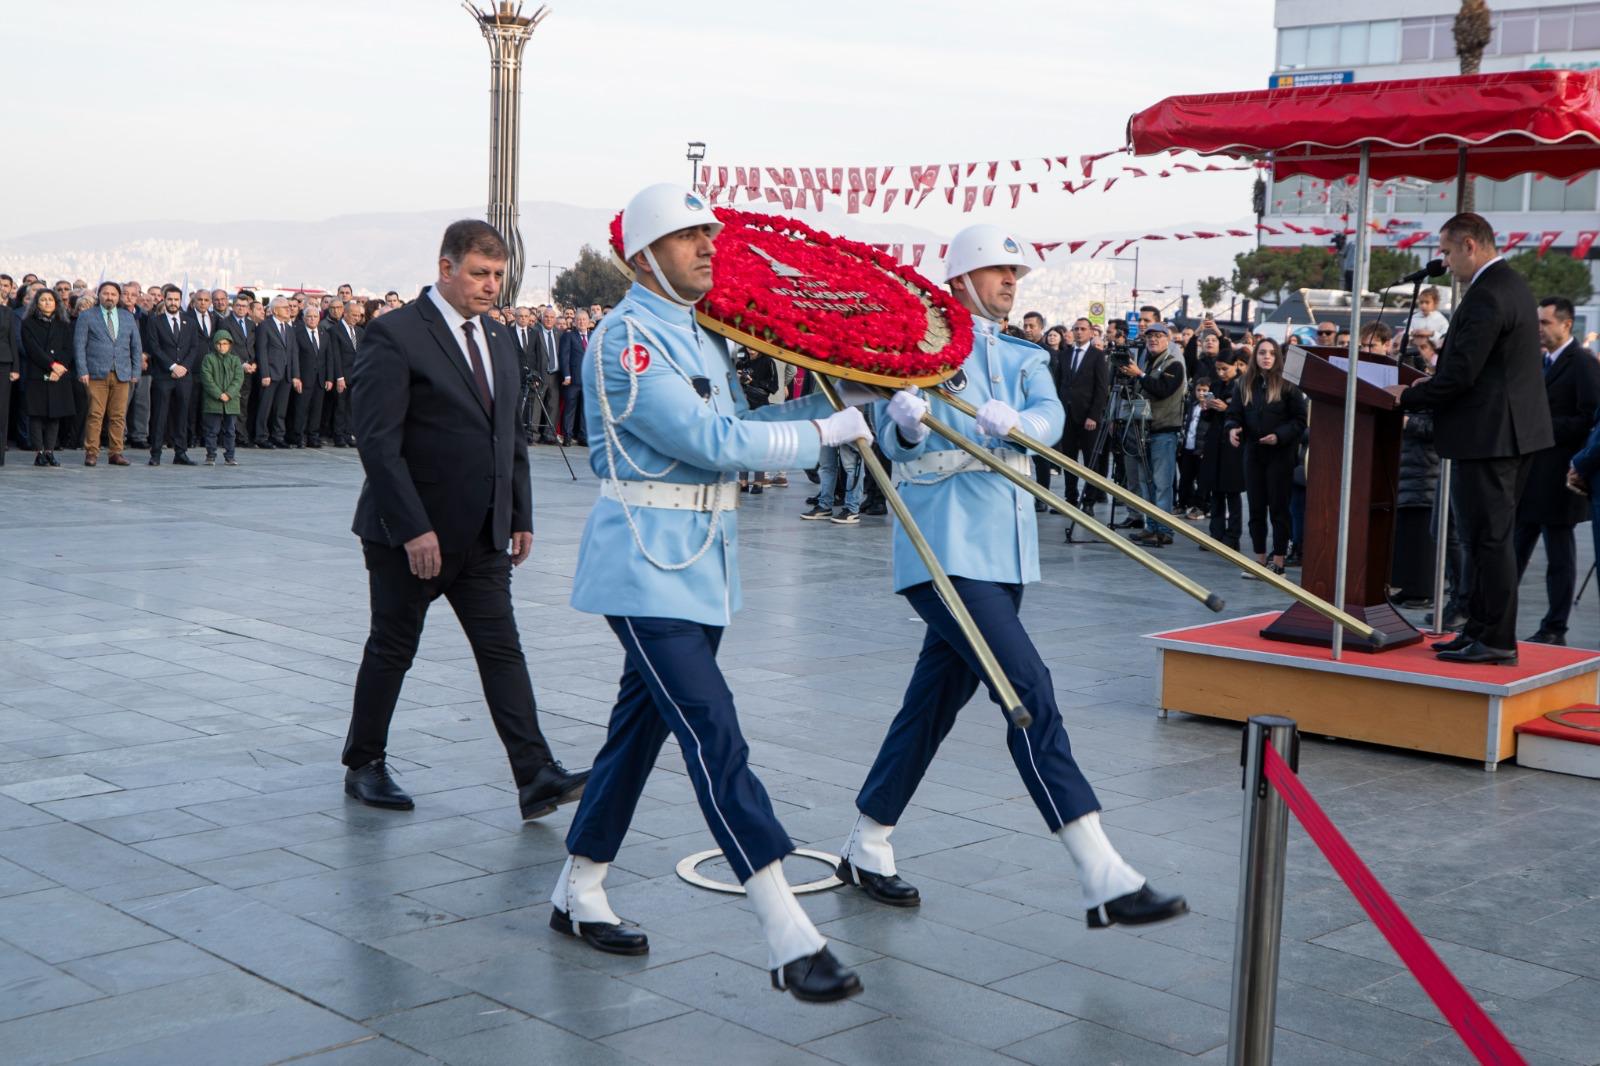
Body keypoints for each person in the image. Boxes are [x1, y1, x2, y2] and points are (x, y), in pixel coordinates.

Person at [555, 184, 869, 1002]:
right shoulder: (628, 340)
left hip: (698, 565)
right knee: (713, 732)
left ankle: (578, 886)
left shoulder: (698, 338)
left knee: (640, 734)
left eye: (708, 235)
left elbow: (753, 418)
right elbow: (709, 440)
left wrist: (861, 408)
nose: (707, 247)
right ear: (645, 256)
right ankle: (786, 932)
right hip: (644, 568)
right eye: (689, 235)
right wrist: (818, 436)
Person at [838, 223, 1186, 936]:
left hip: (1003, 558)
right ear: (961, 277)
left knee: (930, 705)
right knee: (1029, 693)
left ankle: (867, 841)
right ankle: (1099, 869)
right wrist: (903, 421)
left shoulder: (1025, 356)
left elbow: (1051, 419)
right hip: (942, 555)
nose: (1010, 282)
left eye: (1014, 273)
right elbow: (896, 435)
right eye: (998, 270)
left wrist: (1019, 422)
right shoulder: (921, 350)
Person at [346, 220, 587, 821]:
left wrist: (520, 513)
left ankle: (535, 776)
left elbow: (509, 436)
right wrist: (412, 528)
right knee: (393, 648)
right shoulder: (394, 335)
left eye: (499, 276)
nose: (490, 287)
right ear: (445, 267)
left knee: (502, 650)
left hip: (483, 534)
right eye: (480, 274)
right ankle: (364, 764)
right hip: (410, 538)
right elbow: (378, 443)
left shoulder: (500, 338)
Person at [1389, 213, 1553, 665]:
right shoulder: (1508, 284)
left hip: (1491, 437)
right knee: (1484, 538)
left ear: (1468, 245)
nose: (1443, 260)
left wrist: (1410, 396)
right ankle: (1479, 629)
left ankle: (1496, 639)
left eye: (1444, 251)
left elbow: (1461, 375)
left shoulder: (1488, 294)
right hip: (1502, 434)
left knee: (1489, 540)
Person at [1511, 297, 1600, 646]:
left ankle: (1554, 626)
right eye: (1537, 322)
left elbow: (1590, 419)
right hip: (1531, 474)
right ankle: (1494, 617)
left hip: (1560, 475)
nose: (1539, 329)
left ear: (1566, 325)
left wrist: (1543, 425)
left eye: (1545, 322)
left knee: (1559, 557)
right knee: (1513, 551)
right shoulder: (1539, 362)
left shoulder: (1583, 364)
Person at [1227, 338, 1307, 576]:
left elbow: (1300, 421)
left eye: (1271, 353)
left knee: (1279, 509)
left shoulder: (1289, 385)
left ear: (1277, 358)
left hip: (1280, 455)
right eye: (1262, 352)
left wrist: (1279, 436)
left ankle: (1279, 561)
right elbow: (1234, 414)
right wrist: (1232, 428)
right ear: (1255, 356)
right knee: (1256, 508)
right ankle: (1259, 560)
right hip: (1253, 453)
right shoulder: (1244, 384)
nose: (1266, 357)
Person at [1121, 320, 1185, 547]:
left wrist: (1139, 374)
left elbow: (1162, 391)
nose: (1153, 340)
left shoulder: (1173, 364)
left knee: (1162, 483)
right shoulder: (1147, 362)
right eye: (1150, 337)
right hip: (1142, 430)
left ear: (1168, 339)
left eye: (1158, 336)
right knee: (1145, 482)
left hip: (1163, 431)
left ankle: (1164, 530)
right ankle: (1150, 527)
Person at [73, 281, 141, 467]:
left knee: (119, 415)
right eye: (105, 293)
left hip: (122, 373)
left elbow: (136, 346)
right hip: (96, 373)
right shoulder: (87, 316)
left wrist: (135, 371)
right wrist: (82, 370)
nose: (109, 297)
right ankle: (92, 452)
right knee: (95, 414)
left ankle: (115, 452)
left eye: (113, 294)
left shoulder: (127, 317)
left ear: (118, 297)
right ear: (99, 295)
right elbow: (79, 345)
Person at [1050, 317, 1109, 519]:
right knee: (1068, 460)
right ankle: (1070, 499)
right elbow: (1059, 384)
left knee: (1091, 461)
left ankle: (1089, 501)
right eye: (1075, 329)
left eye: (1083, 329)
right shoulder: (1065, 355)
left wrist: (1094, 415)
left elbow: (1101, 389)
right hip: (1067, 416)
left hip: (1088, 418)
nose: (1079, 332)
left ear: (1091, 332)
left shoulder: (1097, 356)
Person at [144, 285, 202, 465]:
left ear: (181, 300)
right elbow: (154, 347)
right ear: (164, 299)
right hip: (164, 375)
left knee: (182, 414)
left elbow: (194, 347)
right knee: (160, 415)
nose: (173, 303)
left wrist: (183, 367)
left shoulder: (190, 321)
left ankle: (181, 452)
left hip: (184, 376)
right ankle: (155, 454)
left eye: (176, 299)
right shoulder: (155, 321)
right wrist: (172, 366)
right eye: (170, 299)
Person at [19, 290, 75, 467]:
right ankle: (39, 452)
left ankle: (50, 451)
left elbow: (68, 348)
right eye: (43, 300)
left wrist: (59, 368)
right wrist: (52, 365)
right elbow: (32, 349)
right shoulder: (28, 323)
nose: (47, 303)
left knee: (54, 415)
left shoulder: (63, 324)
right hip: (37, 373)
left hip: (59, 375)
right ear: (37, 303)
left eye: (50, 300)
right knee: (36, 415)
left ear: (56, 303)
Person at [1199, 352, 1246, 550]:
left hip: (1232, 445)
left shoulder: (1242, 387)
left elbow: (1245, 414)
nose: (1221, 373)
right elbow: (1208, 418)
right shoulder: (1216, 385)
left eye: (1225, 369)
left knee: (1232, 493)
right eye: (1218, 369)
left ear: (1235, 366)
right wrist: (1207, 407)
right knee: (1215, 491)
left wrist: (1226, 408)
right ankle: (1215, 534)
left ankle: (1233, 536)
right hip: (1215, 443)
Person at [253, 297, 300, 448]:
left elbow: (293, 353)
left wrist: (295, 376)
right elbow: (262, 351)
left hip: (285, 375)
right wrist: (265, 374)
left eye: (289, 307)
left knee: (281, 408)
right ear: (274, 310)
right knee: (265, 407)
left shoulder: (289, 328)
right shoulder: (265, 326)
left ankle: (278, 436)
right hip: (271, 374)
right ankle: (261, 437)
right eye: (285, 307)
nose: (289, 309)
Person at [199, 328, 244, 466]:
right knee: (212, 430)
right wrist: (219, 394)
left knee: (230, 430)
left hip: (231, 401)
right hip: (213, 401)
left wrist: (229, 394)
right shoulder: (209, 359)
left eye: (225, 344)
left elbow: (238, 379)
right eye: (219, 344)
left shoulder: (235, 360)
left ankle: (230, 456)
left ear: (230, 345)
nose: (222, 346)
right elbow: (207, 379)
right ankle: (211, 455)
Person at [290, 305, 330, 447]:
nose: (312, 319)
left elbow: (328, 357)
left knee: (316, 410)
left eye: (315, 316)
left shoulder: (324, 333)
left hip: (320, 379)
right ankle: (299, 437)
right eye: (309, 316)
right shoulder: (298, 333)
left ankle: (313, 437)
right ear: (304, 318)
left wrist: (329, 378)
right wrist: (296, 377)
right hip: (304, 378)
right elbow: (294, 357)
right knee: (301, 409)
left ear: (319, 318)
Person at [557, 310, 591, 445]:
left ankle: (583, 436)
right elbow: (564, 357)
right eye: (579, 320)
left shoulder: (593, 335)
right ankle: (567, 436)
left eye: (584, 319)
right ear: (575, 322)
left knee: (585, 410)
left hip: (588, 381)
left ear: (588, 322)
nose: (582, 322)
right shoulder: (569, 336)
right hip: (573, 380)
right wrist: (567, 375)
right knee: (570, 409)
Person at [0, 298, 15, 464]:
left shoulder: (7, 312)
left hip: (3, 363)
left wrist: (15, 368)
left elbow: (12, 340)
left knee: (2, 409)